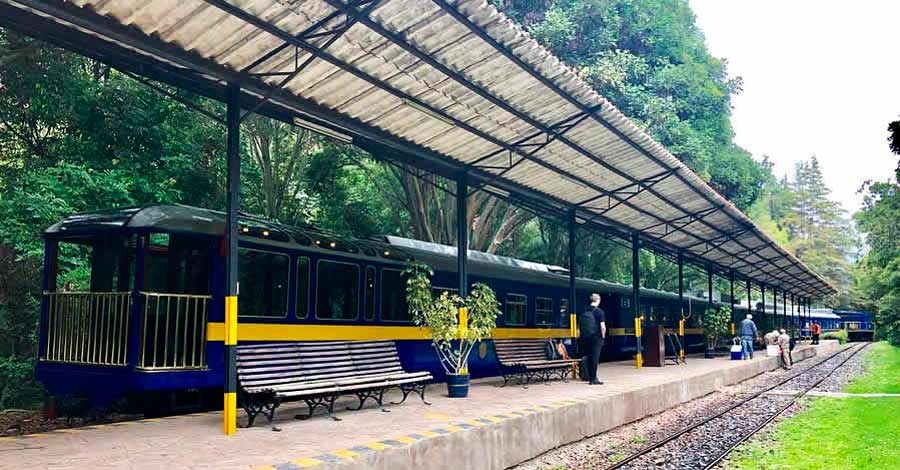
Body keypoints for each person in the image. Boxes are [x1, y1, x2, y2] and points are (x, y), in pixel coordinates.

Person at [578, 293, 606, 385]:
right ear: (598, 300)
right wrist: (603, 336)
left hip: (585, 337)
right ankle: (593, 379)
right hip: (596, 338)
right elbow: (602, 327)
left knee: (588, 356)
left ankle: (587, 376)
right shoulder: (599, 312)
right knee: (595, 358)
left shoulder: (584, 310)